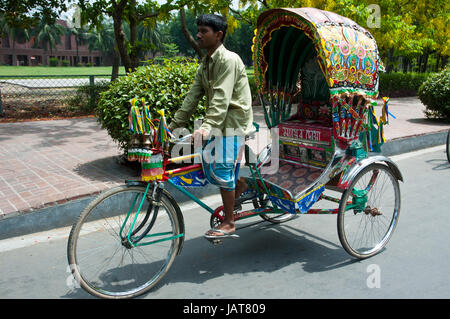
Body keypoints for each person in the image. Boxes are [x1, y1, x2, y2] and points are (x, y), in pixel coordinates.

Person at [168, 14, 254, 239]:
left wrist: (206, 127)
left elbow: (221, 99)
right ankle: (241, 186)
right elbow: (192, 98)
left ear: (218, 35)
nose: (198, 34)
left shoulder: (229, 60)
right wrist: (173, 126)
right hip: (218, 123)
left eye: (204, 31)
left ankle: (229, 222)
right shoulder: (206, 63)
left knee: (222, 169)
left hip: (234, 123)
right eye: (198, 30)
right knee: (207, 164)